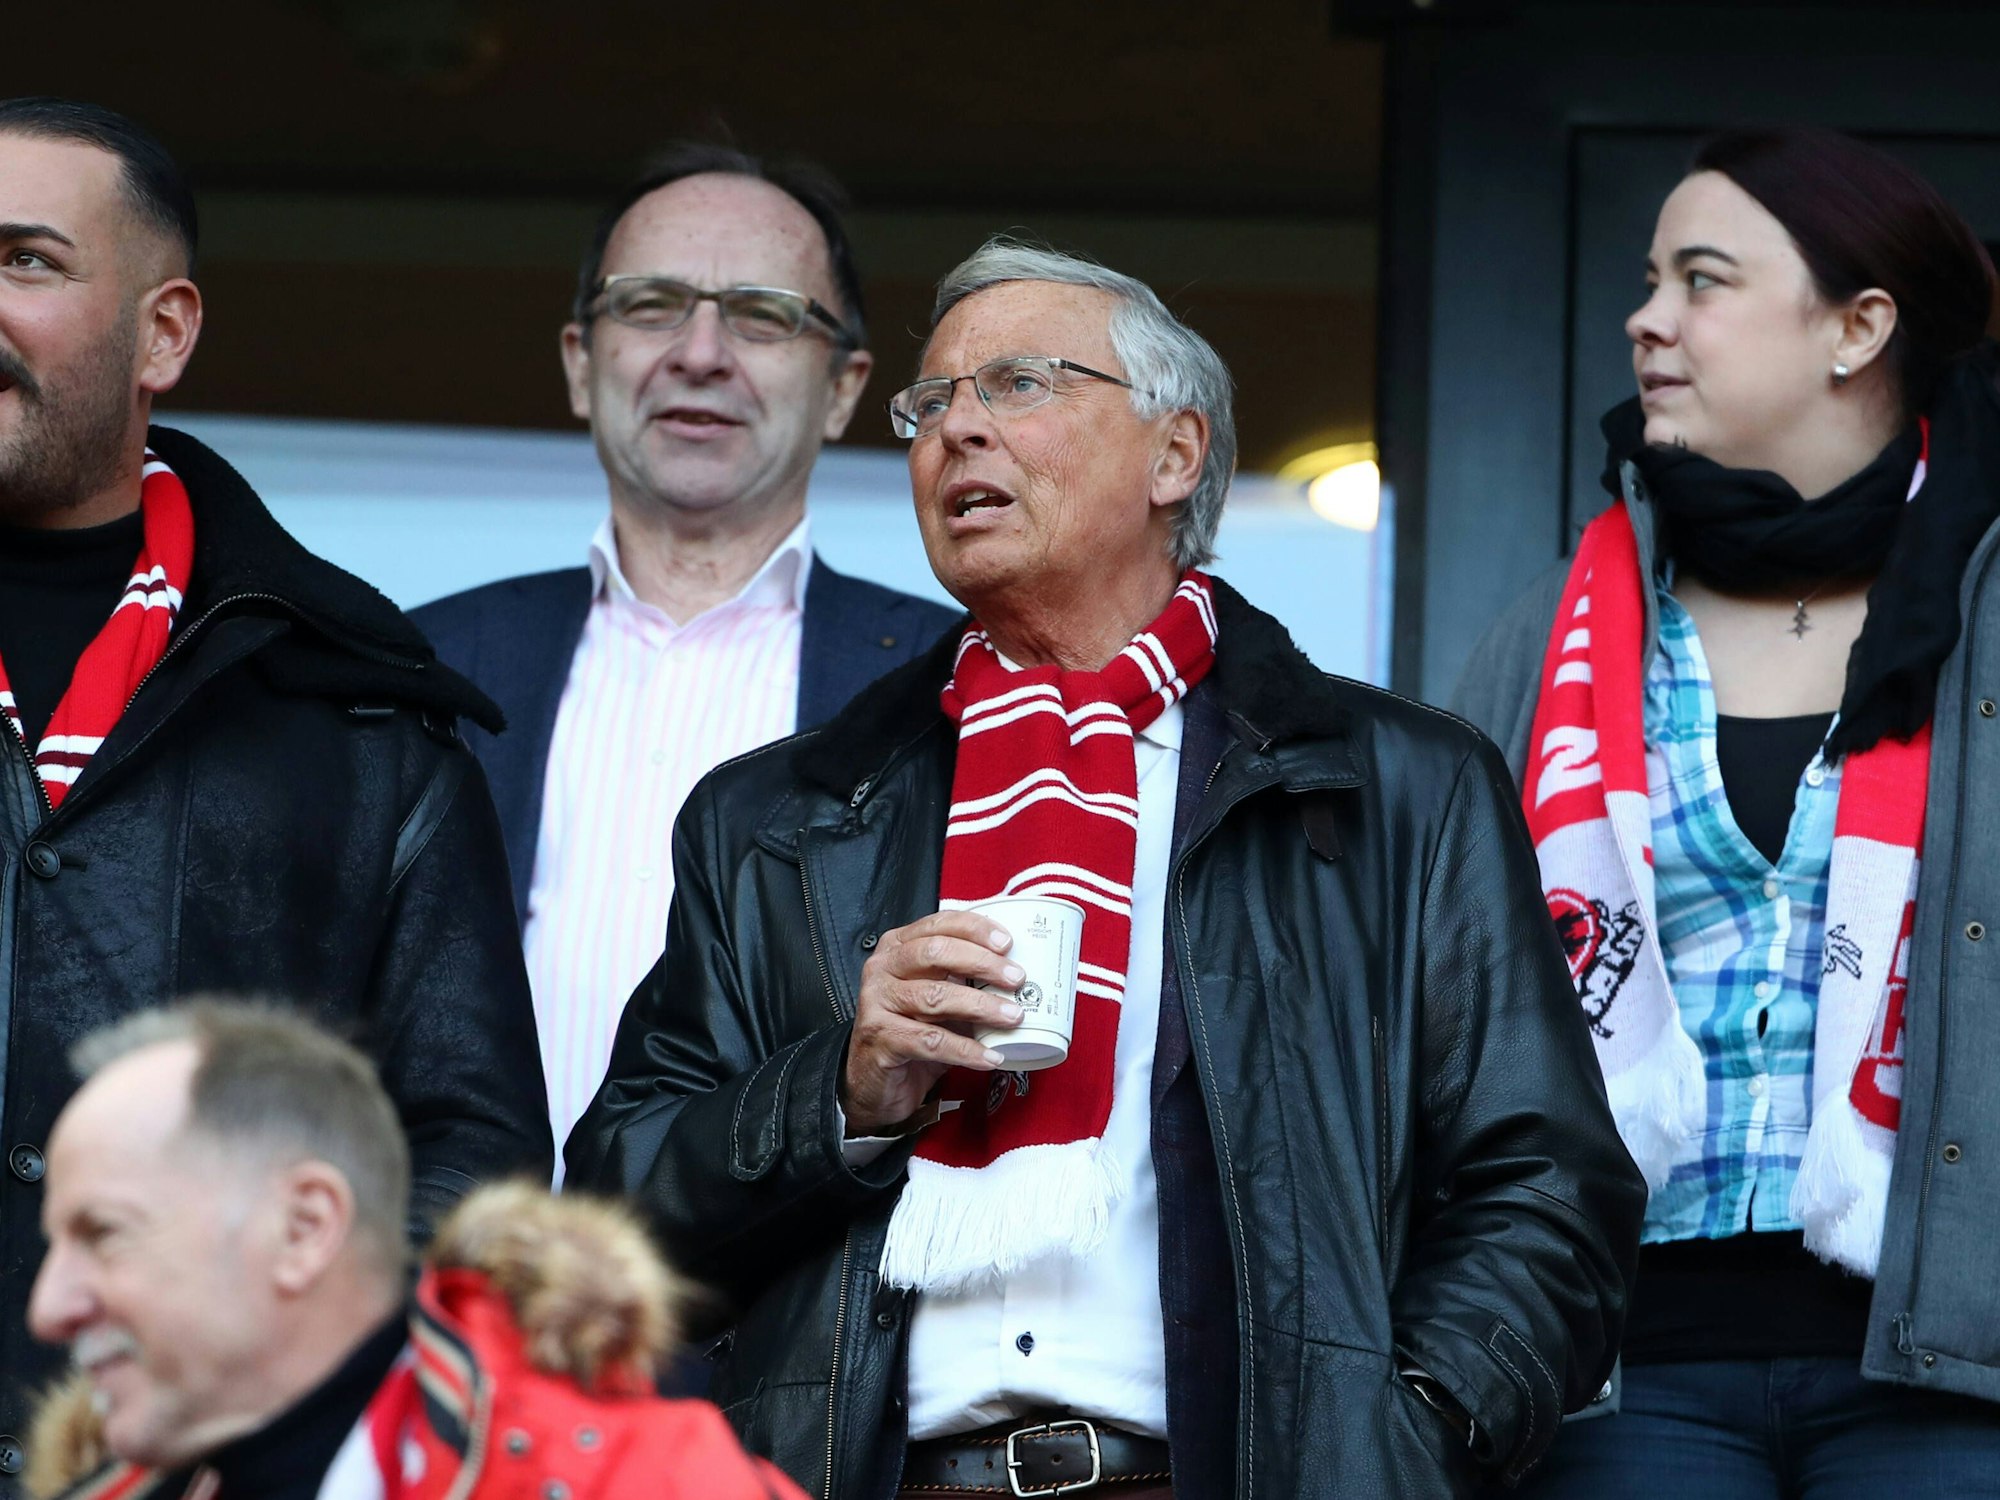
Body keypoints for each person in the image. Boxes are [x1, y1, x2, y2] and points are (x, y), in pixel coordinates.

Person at [567, 238, 1645, 1498]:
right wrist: (845, 1096)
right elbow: (611, 1225)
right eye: (930, 404)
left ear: (1173, 456)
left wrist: (1399, 1443)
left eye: (1018, 383)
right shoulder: (783, 818)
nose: (955, 431)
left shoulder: (1395, 784)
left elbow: (1545, 1188)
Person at [0, 97, 552, 1478]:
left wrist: (282, 1441)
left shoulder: (364, 711)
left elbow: (465, 1158)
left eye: (26, 261)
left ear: (163, 334)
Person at [1453, 128, 2000, 1496]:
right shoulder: (1553, 639)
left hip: (1943, 1374)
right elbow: (1441, 990)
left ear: (1857, 327)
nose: (1648, 319)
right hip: (1624, 1372)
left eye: (1702, 280)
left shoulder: (1987, 616)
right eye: (1648, 280)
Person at [415, 144, 958, 1168]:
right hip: (459, 1298)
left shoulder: (947, 686)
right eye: (652, 304)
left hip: (789, 1299)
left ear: (844, 388)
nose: (700, 352)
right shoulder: (425, 666)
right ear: (581, 363)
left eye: (760, 314)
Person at [23, 1000, 807, 1500]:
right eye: (54, 1245)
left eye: (106, 1234)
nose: (47, 1308)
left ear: (303, 1229)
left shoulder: (644, 1486)